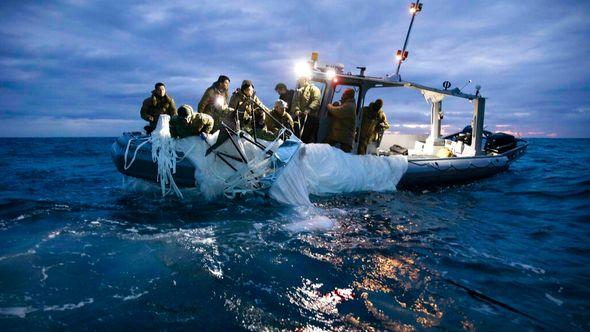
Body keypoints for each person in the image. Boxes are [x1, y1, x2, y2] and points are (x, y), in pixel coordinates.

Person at [326, 88, 356, 153]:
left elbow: (337, 112)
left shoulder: (349, 106)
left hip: (345, 137)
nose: (342, 96)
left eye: (344, 94)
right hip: (341, 135)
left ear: (348, 95)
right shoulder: (347, 104)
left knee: (344, 158)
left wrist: (329, 106)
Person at [292, 77, 321, 143]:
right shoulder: (299, 91)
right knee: (295, 134)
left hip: (311, 117)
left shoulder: (315, 89)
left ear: (305, 80)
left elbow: (316, 100)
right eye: (299, 80)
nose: (299, 81)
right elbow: (295, 102)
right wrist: (296, 110)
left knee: (309, 138)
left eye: (301, 80)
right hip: (301, 116)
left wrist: (309, 109)